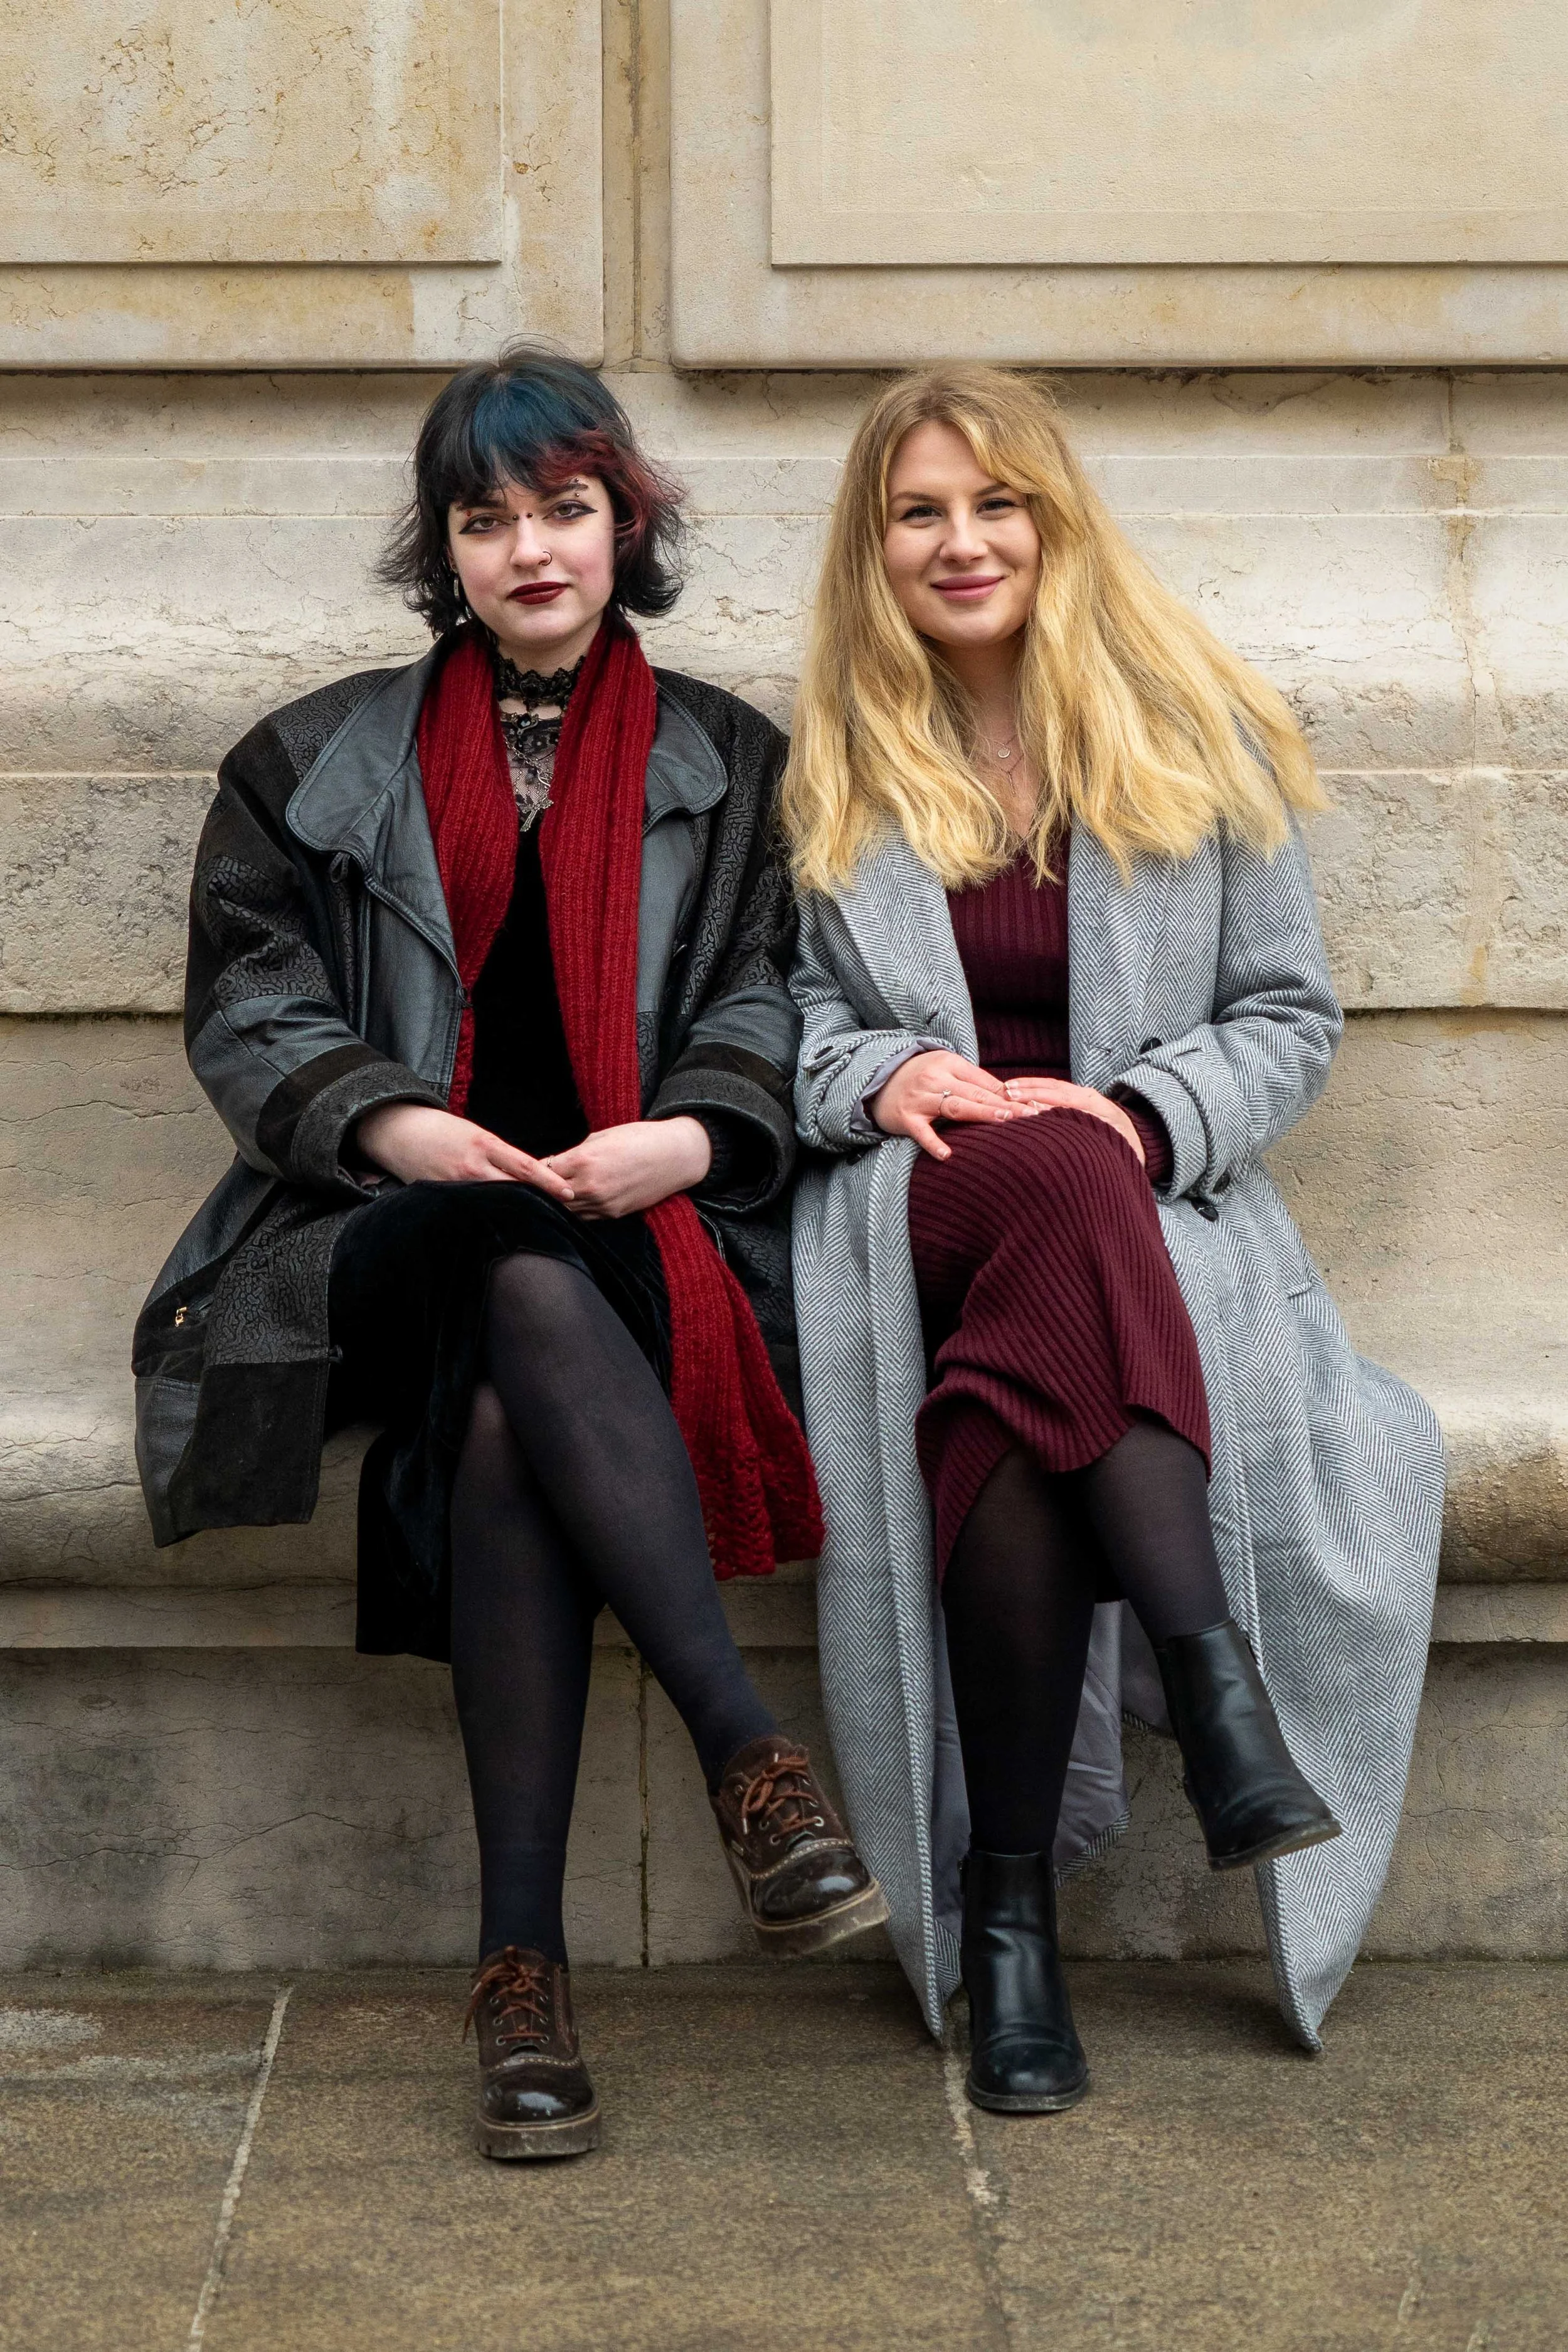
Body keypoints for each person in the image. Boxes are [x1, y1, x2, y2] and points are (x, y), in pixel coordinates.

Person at [134, 346, 885, 2161]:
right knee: (489, 1255)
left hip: (640, 1234)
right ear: (444, 550)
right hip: (366, 1233)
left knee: (507, 1399)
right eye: (487, 520)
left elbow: (783, 992)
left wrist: (689, 1136)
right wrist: (387, 1119)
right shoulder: (313, 760)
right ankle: (747, 1755)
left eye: (564, 510)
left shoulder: (735, 760)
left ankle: (521, 1973)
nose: (529, 551)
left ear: (628, 524)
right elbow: (248, 999)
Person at [782, 364, 1444, 2114]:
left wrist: (1144, 1117)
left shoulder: (1189, 736)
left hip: (1123, 1217)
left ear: (1051, 519)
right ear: (875, 546)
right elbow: (759, 1017)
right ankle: (1214, 1692)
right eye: (919, 510)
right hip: (913, 1202)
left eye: (993, 502)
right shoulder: (826, 764)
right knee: (1047, 1181)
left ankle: (1010, 1924)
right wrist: (885, 1066)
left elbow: (1287, 1013)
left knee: (1019, 1381)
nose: (960, 540)